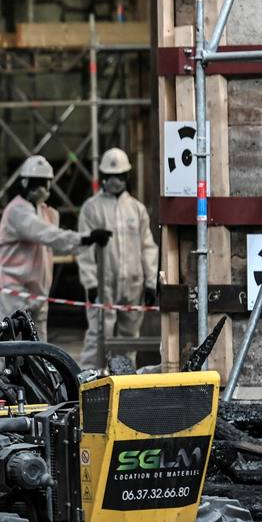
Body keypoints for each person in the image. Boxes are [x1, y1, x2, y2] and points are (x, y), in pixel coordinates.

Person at [0, 155, 111, 341]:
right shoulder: (17, 211)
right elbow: (48, 235)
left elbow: (56, 243)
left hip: (37, 288)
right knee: (11, 344)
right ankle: (1, 370)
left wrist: (83, 244)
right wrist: (85, 238)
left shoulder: (45, 212)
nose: (40, 188)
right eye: (36, 183)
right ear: (24, 183)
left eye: (43, 182)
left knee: (39, 343)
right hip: (12, 286)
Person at [77, 148, 158, 369]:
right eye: (110, 176)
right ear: (103, 176)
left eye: (120, 176)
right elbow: (84, 251)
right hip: (104, 286)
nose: (115, 181)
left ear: (127, 176)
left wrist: (151, 284)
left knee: (129, 338)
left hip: (133, 284)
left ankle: (125, 384)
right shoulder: (91, 209)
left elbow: (148, 247)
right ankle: (87, 381)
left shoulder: (137, 209)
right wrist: (91, 283)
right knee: (98, 336)